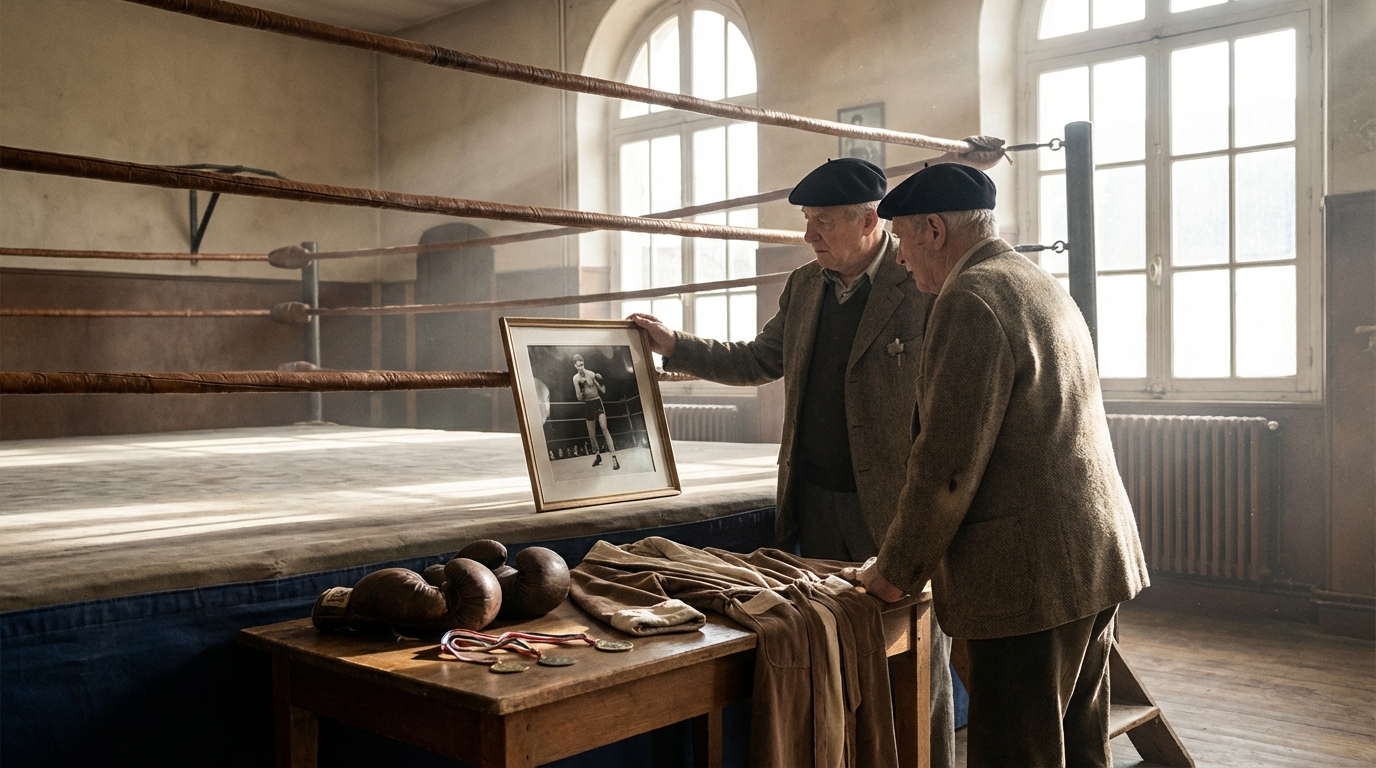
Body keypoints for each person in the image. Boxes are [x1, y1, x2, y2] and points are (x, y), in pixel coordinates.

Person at [630, 157, 958, 767]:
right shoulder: (806, 286)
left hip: (892, 509)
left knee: (915, 666)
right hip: (814, 503)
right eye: (807, 221)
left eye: (823, 222)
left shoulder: (921, 282)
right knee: (831, 657)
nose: (810, 236)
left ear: (869, 221)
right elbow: (758, 359)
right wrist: (678, 346)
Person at [856, 163, 1149, 767]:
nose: (902, 260)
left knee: (1017, 754)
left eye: (904, 241)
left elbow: (946, 468)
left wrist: (895, 572)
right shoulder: (1032, 279)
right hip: (1090, 561)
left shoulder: (971, 299)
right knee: (1079, 746)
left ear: (934, 230)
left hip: (1028, 580)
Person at [572, 354, 618, 470]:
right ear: (575, 366)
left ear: (584, 363)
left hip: (597, 402)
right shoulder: (575, 379)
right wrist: (582, 388)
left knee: (604, 427)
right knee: (592, 435)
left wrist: (601, 381)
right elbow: (579, 398)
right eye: (578, 366)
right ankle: (598, 456)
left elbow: (603, 390)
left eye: (582, 364)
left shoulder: (591, 374)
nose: (581, 367)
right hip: (588, 404)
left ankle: (614, 457)